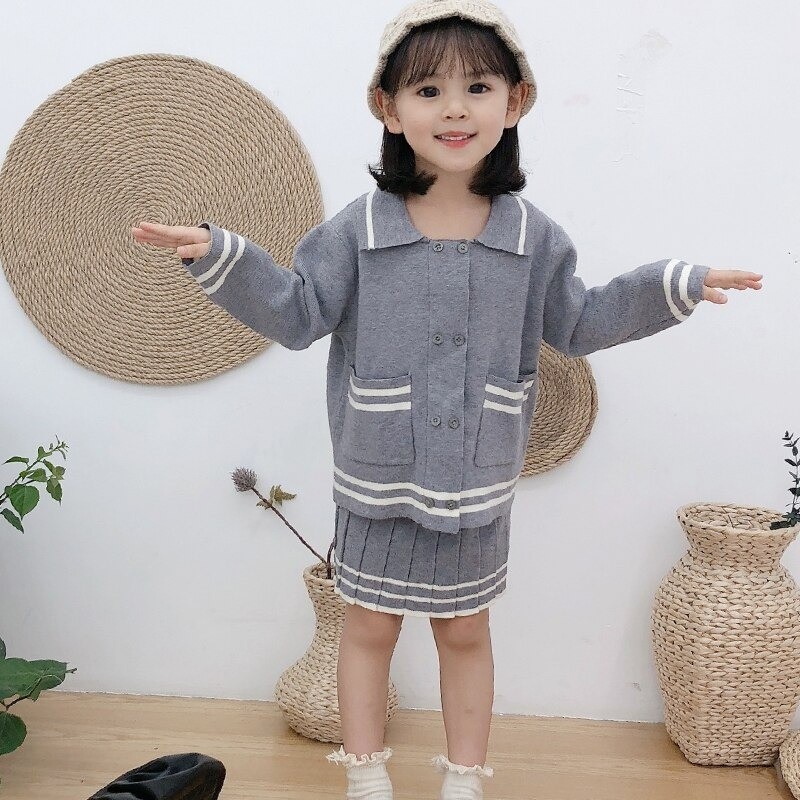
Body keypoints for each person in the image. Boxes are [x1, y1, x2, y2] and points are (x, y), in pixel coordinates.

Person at [131, 1, 762, 797]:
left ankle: (464, 780)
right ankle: (366, 777)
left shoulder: (534, 239)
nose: (455, 109)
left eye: (478, 87)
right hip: (376, 474)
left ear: (516, 101)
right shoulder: (357, 231)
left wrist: (674, 285)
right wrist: (225, 257)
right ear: (387, 108)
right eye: (428, 90)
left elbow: (579, 322)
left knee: (465, 630)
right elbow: (298, 314)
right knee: (368, 625)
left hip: (475, 481)